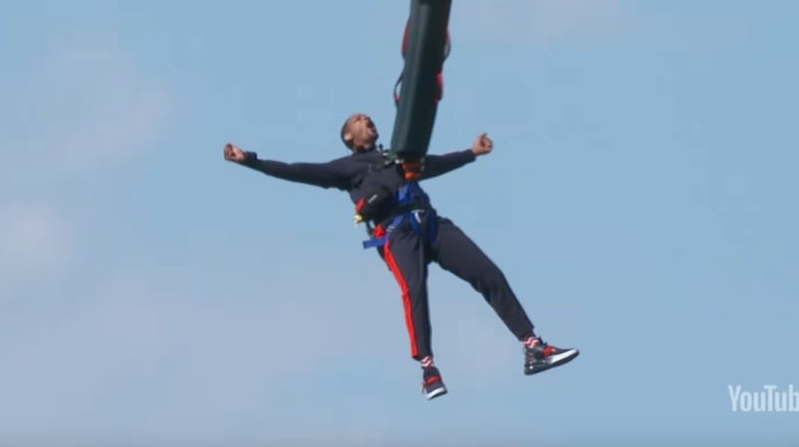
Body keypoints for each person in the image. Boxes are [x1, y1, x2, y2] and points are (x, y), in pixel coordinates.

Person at [223, 113, 578, 400]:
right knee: (415, 289)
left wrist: (471, 153)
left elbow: (432, 164)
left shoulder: (397, 156)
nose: (368, 120)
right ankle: (428, 369)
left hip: (431, 223)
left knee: (488, 273)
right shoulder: (344, 169)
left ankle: (534, 349)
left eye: (369, 117)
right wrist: (249, 160)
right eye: (359, 120)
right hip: (396, 234)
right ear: (349, 137)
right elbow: (296, 170)